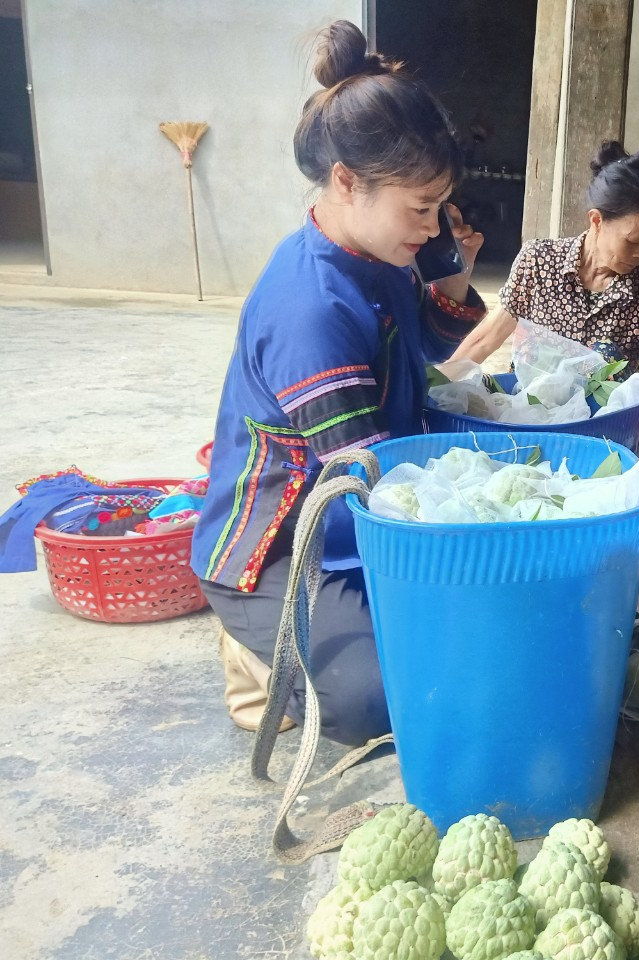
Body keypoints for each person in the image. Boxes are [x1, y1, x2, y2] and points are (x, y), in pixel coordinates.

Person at [191, 21, 487, 744]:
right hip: (279, 553)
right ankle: (252, 647)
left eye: (439, 207)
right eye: (420, 209)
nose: (430, 224)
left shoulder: (379, 248)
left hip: (346, 525)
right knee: (385, 701)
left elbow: (430, 342)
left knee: (466, 639)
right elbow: (369, 481)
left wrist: (448, 265)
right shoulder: (309, 308)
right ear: (347, 182)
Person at [449, 141, 639, 430]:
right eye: (633, 241)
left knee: (607, 357)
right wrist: (437, 386)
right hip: (532, 414)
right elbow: (488, 338)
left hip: (606, 424)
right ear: (597, 220)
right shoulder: (538, 260)